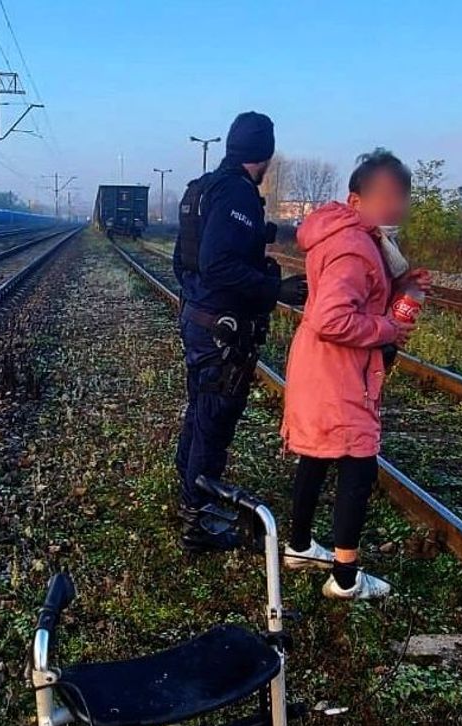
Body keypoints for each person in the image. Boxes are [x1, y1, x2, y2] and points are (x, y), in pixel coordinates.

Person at [280, 149, 431, 599]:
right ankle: (345, 579)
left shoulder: (353, 237)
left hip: (324, 368)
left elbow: (350, 302)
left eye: (401, 196)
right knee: (358, 464)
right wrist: (388, 328)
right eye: (385, 196)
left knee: (319, 454)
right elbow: (331, 318)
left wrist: (401, 287)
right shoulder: (354, 247)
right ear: (355, 199)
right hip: (340, 373)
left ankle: (300, 546)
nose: (395, 206)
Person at [173, 111, 308, 552]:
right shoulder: (238, 194)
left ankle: (188, 495)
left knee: (199, 413)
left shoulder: (202, 189)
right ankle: (199, 523)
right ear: (264, 156)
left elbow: (187, 263)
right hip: (219, 333)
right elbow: (218, 264)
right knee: (213, 423)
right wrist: (275, 289)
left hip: (199, 320)